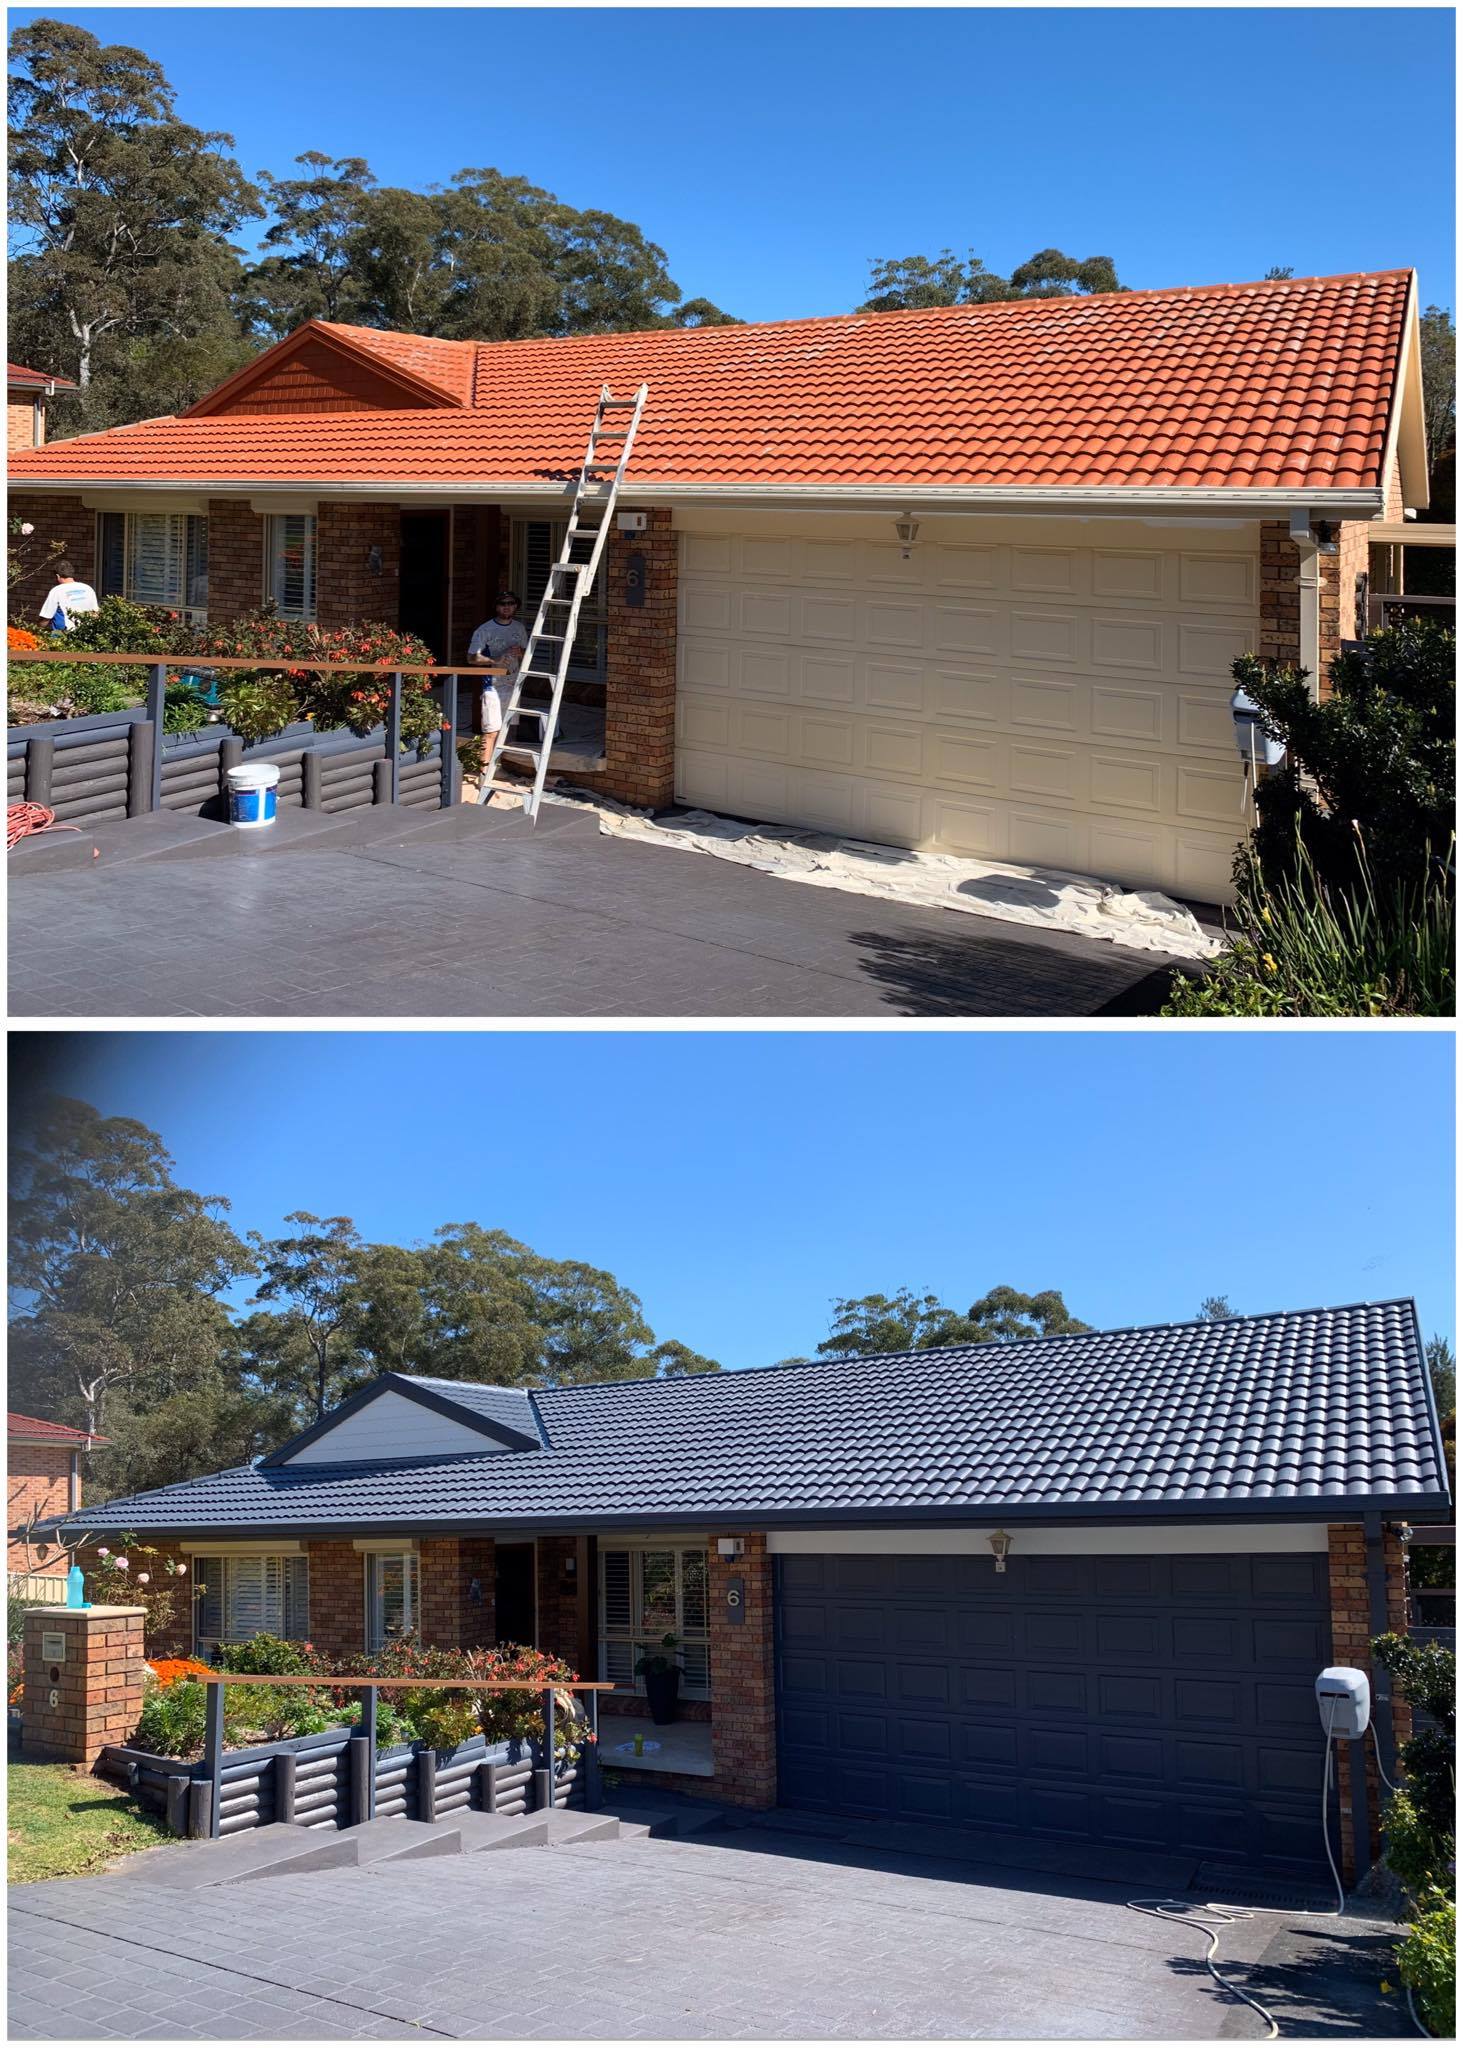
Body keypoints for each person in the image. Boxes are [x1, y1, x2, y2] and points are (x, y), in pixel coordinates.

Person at [467, 591, 530, 745]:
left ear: (515, 606)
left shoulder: (519, 628)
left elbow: (527, 653)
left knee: (510, 729)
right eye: (503, 603)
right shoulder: (485, 629)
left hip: (513, 683)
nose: (507, 607)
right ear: (496, 607)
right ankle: (486, 761)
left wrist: (521, 652)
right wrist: (495, 660)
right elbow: (471, 657)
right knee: (491, 731)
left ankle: (503, 758)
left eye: (511, 603)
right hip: (493, 685)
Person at [37, 559, 100, 632]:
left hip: (64, 634)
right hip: (86, 632)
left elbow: (46, 618)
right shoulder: (88, 588)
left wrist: (37, 630)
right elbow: (96, 614)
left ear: (57, 576)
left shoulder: (57, 591)